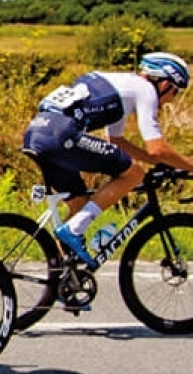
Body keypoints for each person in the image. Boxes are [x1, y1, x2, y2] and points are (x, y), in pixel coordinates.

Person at [21, 52, 190, 267]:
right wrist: (188, 164)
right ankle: (73, 230)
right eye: (175, 92)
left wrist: (158, 162)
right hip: (61, 134)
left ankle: (63, 277)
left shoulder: (119, 84)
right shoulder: (145, 89)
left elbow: (117, 141)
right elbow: (157, 148)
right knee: (134, 173)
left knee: (79, 205)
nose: (171, 101)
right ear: (165, 83)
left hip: (38, 133)